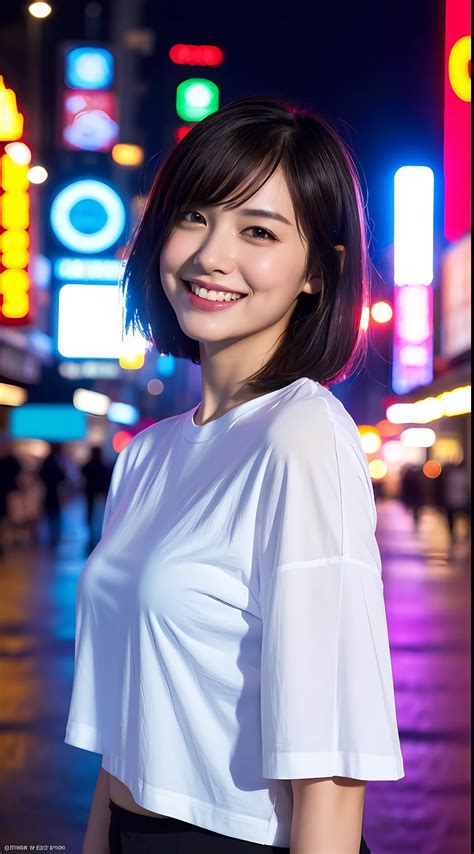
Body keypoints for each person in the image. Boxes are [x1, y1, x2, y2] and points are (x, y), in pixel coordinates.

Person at [64, 97, 404, 854]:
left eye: (257, 231)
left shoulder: (303, 435)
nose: (210, 255)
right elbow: (130, 733)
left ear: (319, 270)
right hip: (126, 831)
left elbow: (331, 772)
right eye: (194, 217)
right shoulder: (149, 454)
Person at [81, 446, 112, 551]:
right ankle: (98, 537)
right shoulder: (103, 466)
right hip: (100, 495)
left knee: (91, 515)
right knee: (99, 516)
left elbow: (83, 474)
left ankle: (92, 536)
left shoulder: (88, 466)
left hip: (90, 494)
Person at [38, 443, 66, 546]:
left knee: (51, 513)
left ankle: (53, 535)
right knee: (54, 513)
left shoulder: (48, 461)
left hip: (49, 491)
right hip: (53, 491)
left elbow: (41, 474)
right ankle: (54, 535)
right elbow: (61, 475)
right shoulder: (55, 461)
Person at [439, 462, 470, 543]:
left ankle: (452, 534)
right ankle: (465, 534)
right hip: (461, 500)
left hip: (451, 500)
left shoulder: (449, 476)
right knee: (464, 518)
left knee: (452, 518)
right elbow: (466, 488)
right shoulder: (464, 475)